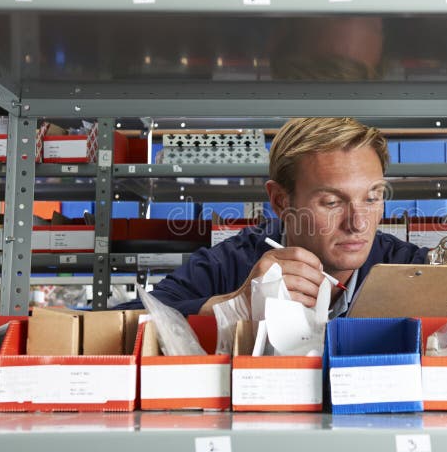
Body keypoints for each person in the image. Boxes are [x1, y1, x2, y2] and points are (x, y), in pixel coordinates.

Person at [130, 116, 427, 318]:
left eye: (372, 198)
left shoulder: (410, 269)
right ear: (281, 201)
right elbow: (117, 322)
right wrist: (236, 305)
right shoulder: (230, 264)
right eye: (332, 202)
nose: (359, 223)